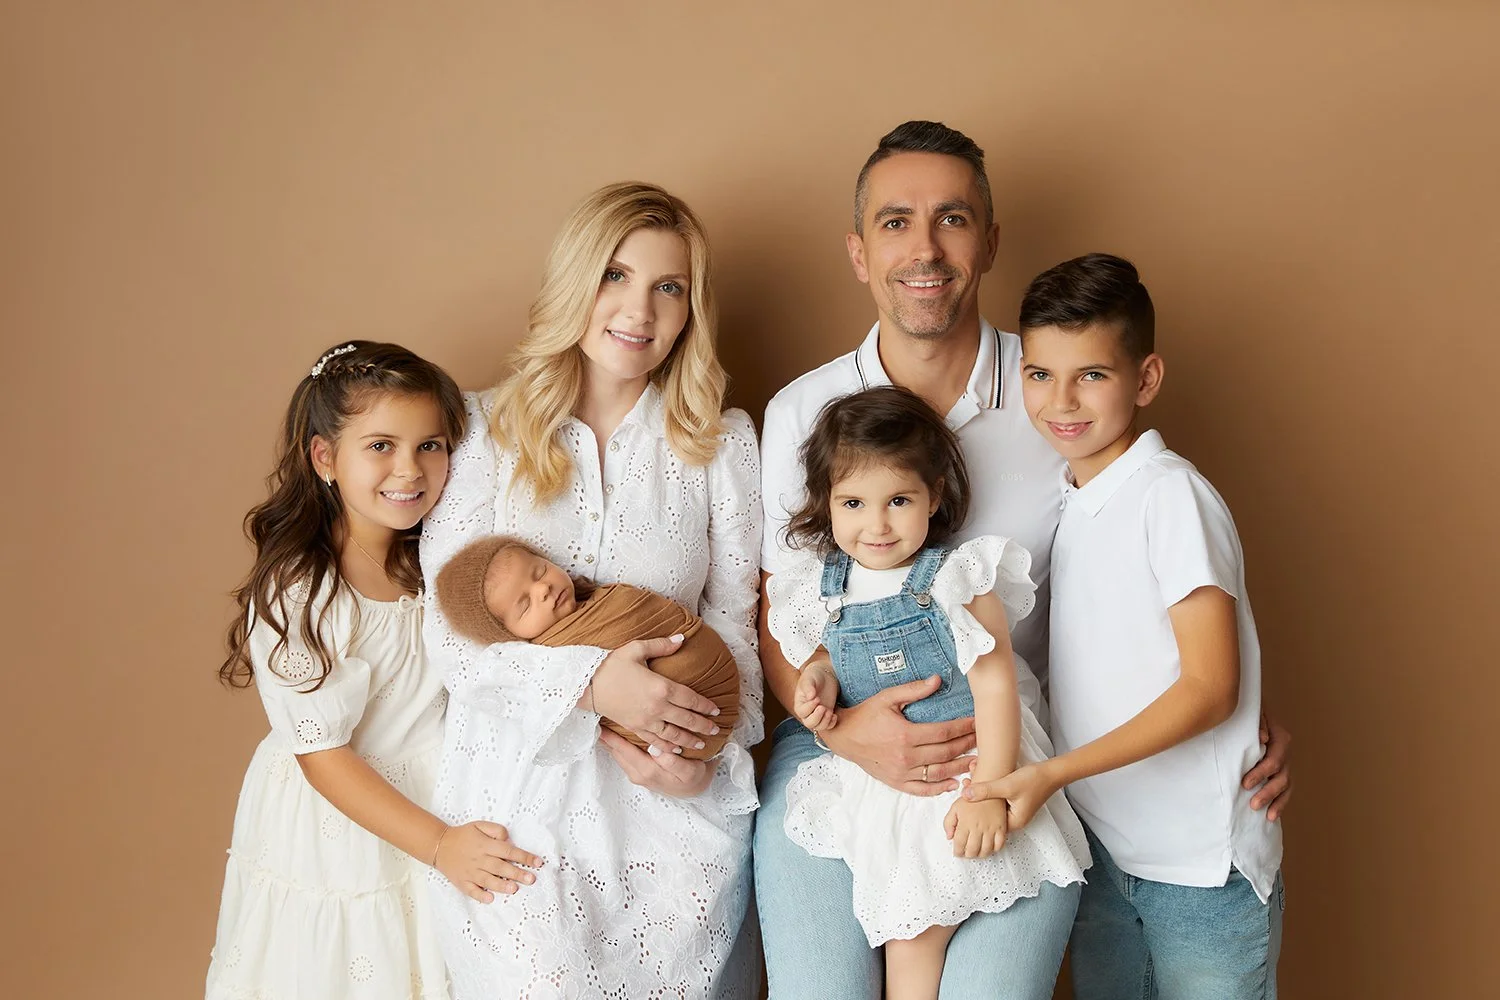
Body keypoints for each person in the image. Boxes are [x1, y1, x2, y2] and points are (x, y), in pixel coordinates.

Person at [754, 120, 1292, 999]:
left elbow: (1148, 579)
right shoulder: (802, 411)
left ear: (991, 241)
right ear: (859, 251)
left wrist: (1242, 722)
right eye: (895, 222)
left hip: (1009, 761)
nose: (924, 249)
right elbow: (781, 608)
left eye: (953, 219)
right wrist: (839, 730)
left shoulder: (1054, 393)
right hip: (840, 753)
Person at [420, 182, 764, 998]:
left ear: (691, 309)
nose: (638, 309)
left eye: (668, 287)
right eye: (615, 275)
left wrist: (704, 765)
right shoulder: (482, 431)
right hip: (518, 808)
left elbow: (738, 626)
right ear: (576, 280)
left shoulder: (723, 445)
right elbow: (449, 633)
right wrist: (590, 681)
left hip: (670, 807)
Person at [963, 254, 1284, 997]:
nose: (1061, 400)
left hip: (1198, 866)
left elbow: (1211, 687)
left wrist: (1048, 775)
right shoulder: (1075, 496)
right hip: (1108, 855)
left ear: (1144, 380)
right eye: (1041, 374)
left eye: (1092, 376)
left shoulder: (1170, 496)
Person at [207, 341, 537, 1000]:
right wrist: (440, 845)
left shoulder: (432, 561)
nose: (409, 470)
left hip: (434, 790)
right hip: (341, 813)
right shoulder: (303, 588)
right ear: (325, 458)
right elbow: (322, 754)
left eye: (431, 446)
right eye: (380, 446)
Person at [765, 386, 1091, 999]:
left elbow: (995, 688)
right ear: (828, 503)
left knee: (916, 936)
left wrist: (989, 793)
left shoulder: (957, 579)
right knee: (903, 935)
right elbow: (833, 660)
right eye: (854, 503)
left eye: (899, 500)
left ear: (934, 497)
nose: (876, 524)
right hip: (883, 782)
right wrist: (820, 681)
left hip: (964, 769)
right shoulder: (823, 586)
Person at [431, 533, 741, 758]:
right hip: (671, 738)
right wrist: (590, 687)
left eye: (539, 571)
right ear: (508, 636)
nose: (543, 589)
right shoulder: (549, 656)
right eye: (524, 605)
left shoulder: (597, 598)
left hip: (721, 698)